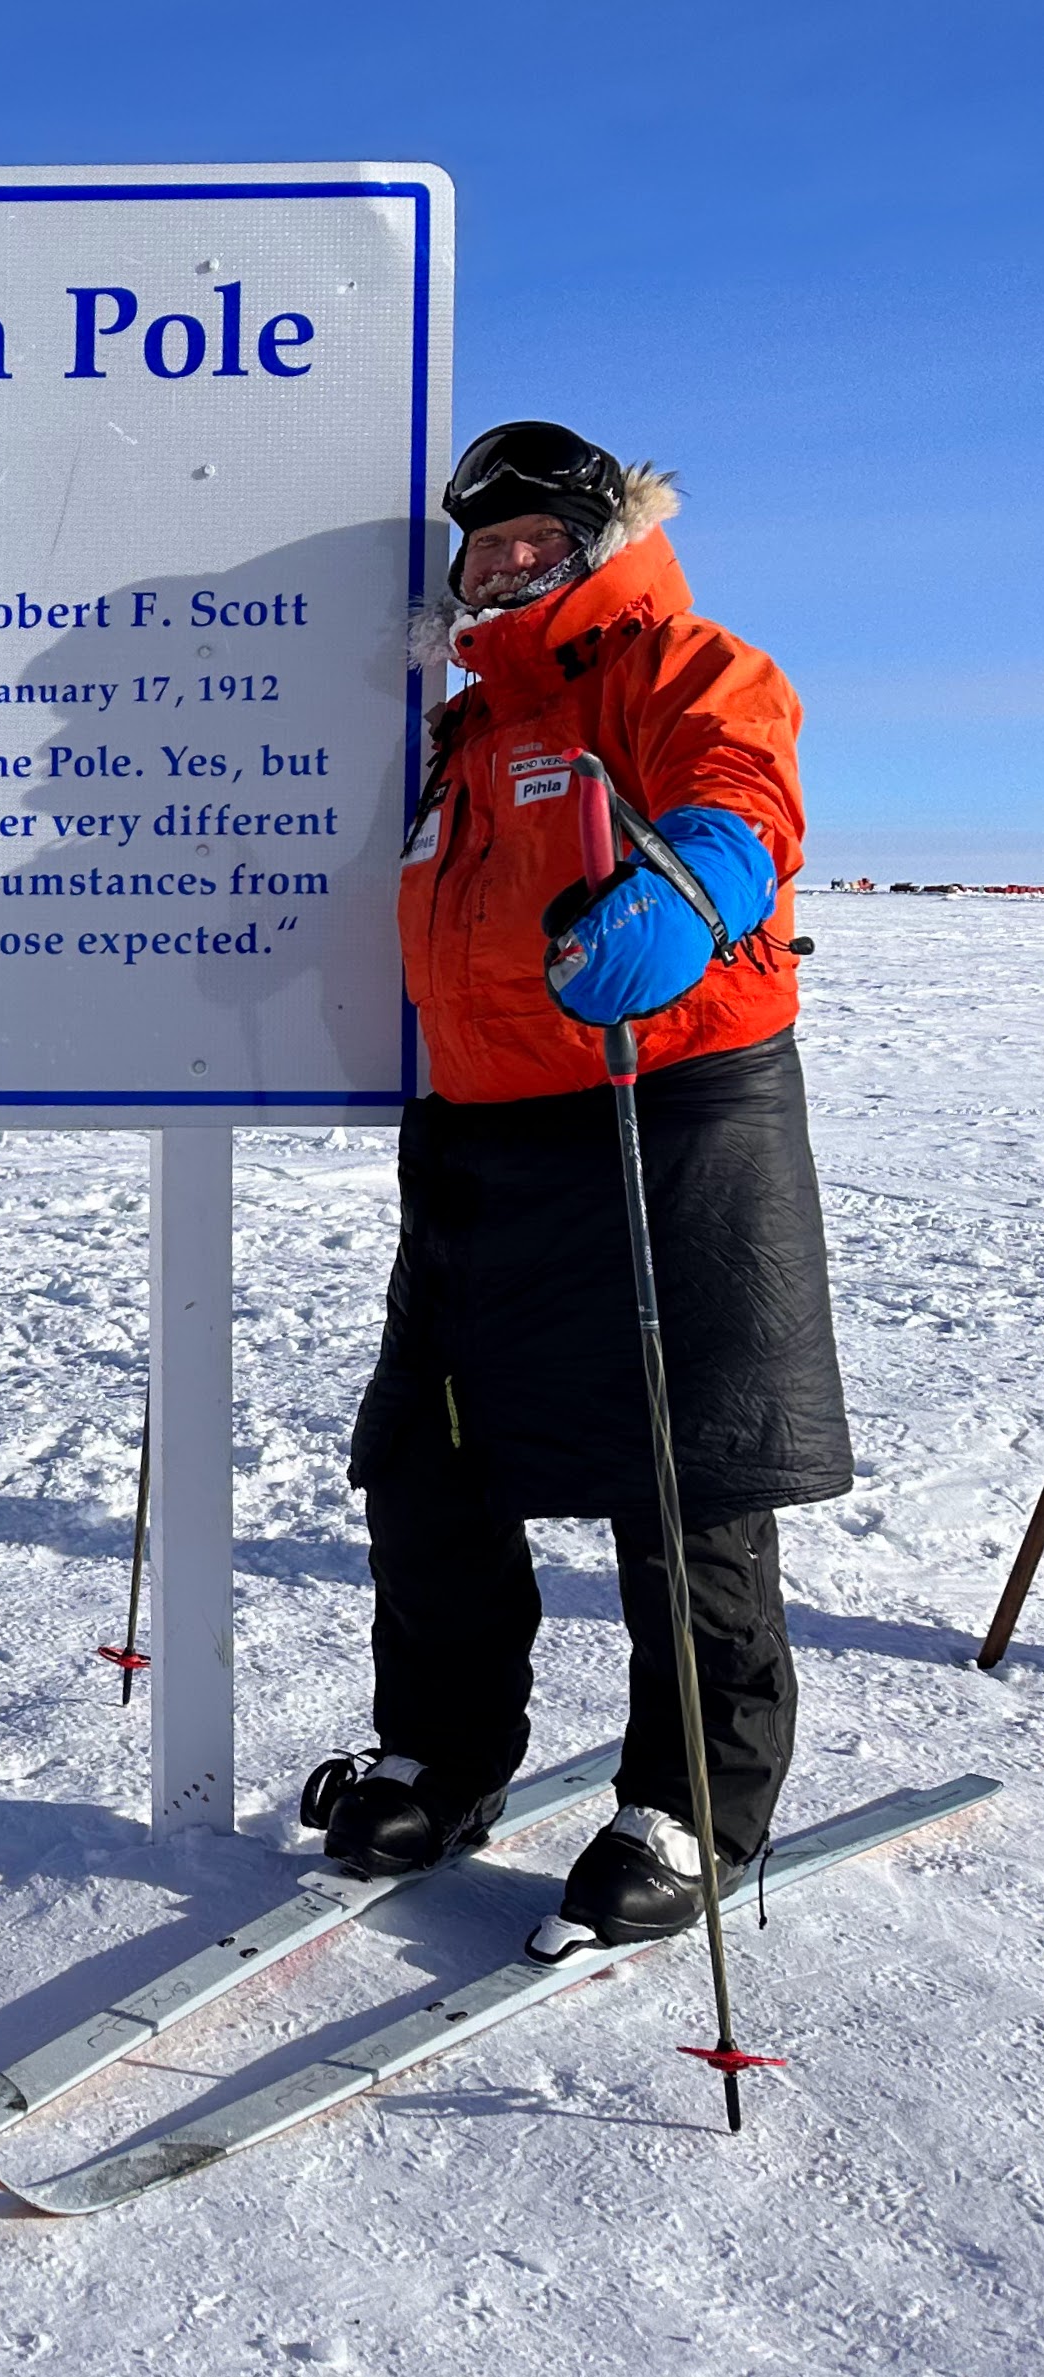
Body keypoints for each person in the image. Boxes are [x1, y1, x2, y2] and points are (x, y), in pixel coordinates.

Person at [305, 421, 851, 1959]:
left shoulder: (680, 664)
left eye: (537, 537)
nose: (506, 563)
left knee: (678, 1477)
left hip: (660, 1110)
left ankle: (686, 1801)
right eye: (483, 550)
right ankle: (439, 1754)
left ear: (602, 539)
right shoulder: (462, 731)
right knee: (428, 1460)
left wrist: (689, 889)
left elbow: (743, 793)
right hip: (481, 1135)